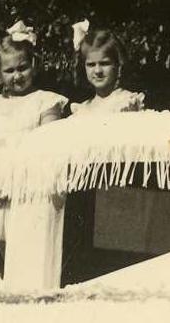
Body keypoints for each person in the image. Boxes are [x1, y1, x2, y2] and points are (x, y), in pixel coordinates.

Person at [0, 21, 68, 277]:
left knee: (28, 247)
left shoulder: (45, 101)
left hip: (30, 188)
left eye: (22, 67)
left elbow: (49, 147)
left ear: (33, 64)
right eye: (9, 70)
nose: (17, 75)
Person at [63, 21, 145, 284]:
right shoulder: (81, 109)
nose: (97, 70)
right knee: (86, 264)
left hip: (118, 193)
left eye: (104, 63)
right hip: (85, 193)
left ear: (118, 65)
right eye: (91, 64)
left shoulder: (127, 102)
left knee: (117, 265)